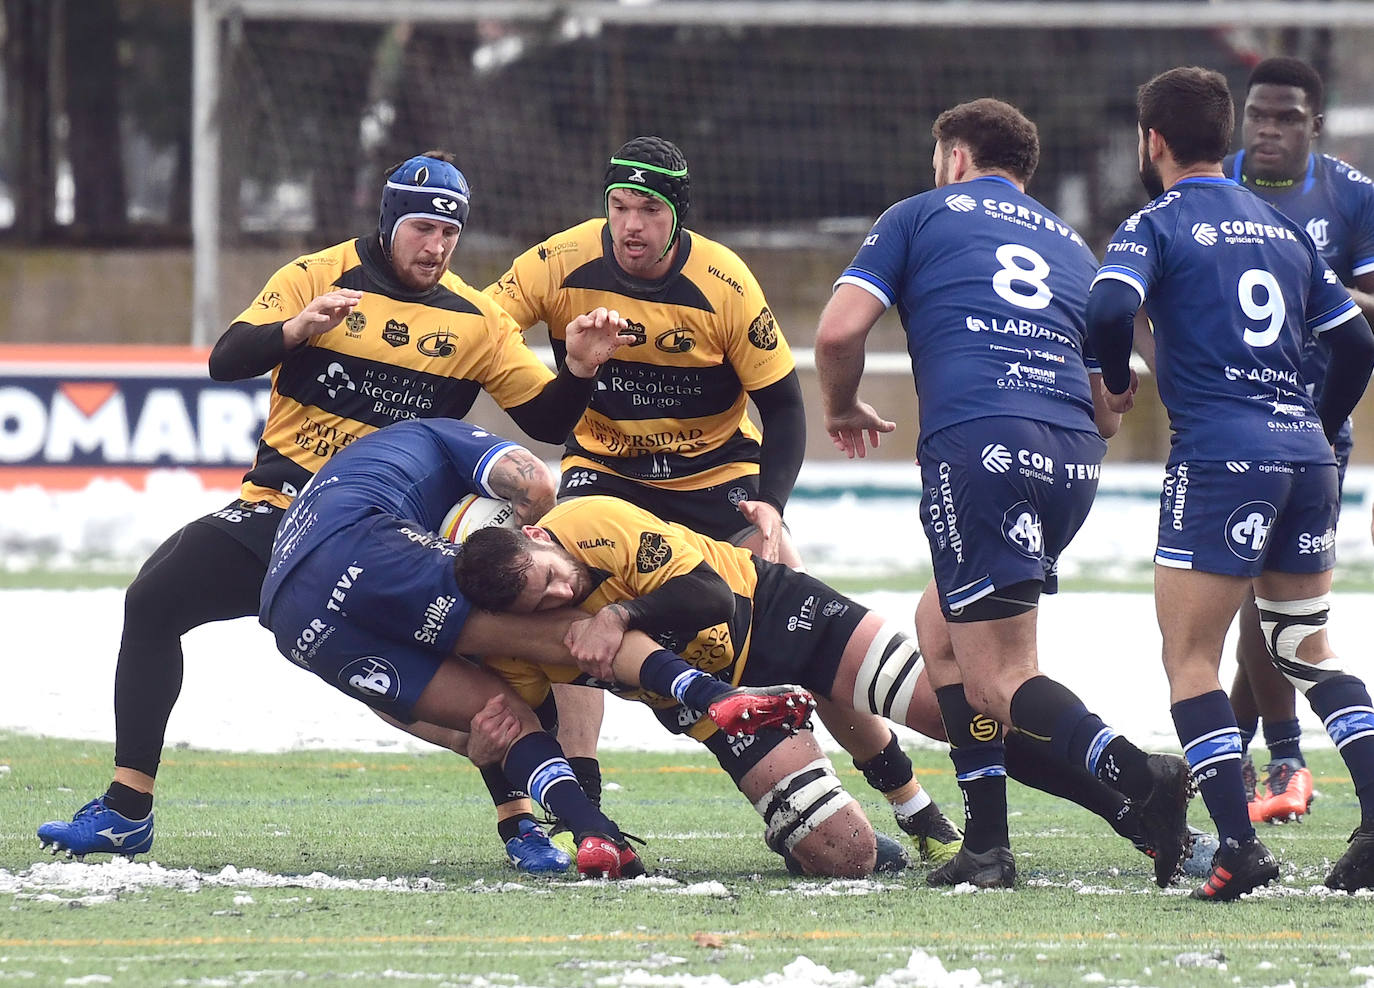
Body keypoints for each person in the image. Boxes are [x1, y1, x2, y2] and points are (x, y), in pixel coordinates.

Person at [36, 151, 634, 873]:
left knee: (478, 658)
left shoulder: (477, 320)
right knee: (154, 599)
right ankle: (128, 810)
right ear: (387, 223)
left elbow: (542, 420)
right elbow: (226, 359)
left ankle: (521, 825)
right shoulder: (316, 276)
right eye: (422, 227)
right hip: (279, 512)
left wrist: (578, 369)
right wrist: (295, 331)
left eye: (451, 232)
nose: (437, 246)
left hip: (392, 537)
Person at [483, 136, 962, 866]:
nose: (630, 226)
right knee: (567, 620)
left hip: (717, 478)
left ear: (678, 215)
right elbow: (480, 334)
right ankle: (588, 813)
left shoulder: (724, 283)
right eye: (618, 207)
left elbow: (787, 410)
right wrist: (557, 372)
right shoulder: (558, 262)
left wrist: (771, 503)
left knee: (805, 631)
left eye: (648, 209)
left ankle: (909, 799)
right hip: (605, 473)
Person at [813, 98, 1196, 891]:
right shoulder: (1072, 246)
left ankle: (1138, 775)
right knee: (941, 626)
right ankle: (987, 842)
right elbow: (1108, 400)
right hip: (1071, 459)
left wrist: (842, 404)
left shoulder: (918, 214)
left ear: (955, 158)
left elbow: (838, 333)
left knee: (999, 676)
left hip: (981, 448)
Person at [455, 490, 1215, 882]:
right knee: (840, 855)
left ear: (538, 537)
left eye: (553, 578)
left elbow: (711, 602)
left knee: (969, 714)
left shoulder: (588, 521)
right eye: (541, 603)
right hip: (724, 706)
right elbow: (524, 725)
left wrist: (617, 611)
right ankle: (843, 823)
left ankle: (1138, 813)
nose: (560, 596)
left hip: (785, 614)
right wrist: (501, 765)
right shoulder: (523, 635)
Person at [254, 418, 815, 879]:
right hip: (363, 552)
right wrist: (536, 553)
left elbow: (396, 701)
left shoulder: (367, 465)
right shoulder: (438, 436)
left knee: (494, 718)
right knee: (573, 629)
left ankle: (591, 831)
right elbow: (539, 490)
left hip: (290, 618)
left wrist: (470, 743)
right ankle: (712, 694)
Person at [1086, 66, 1374, 897]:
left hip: (1219, 455)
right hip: (1305, 456)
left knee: (1189, 657)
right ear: (1228, 136)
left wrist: (1113, 377)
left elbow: (1109, 311)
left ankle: (1238, 846)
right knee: (1303, 645)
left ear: (1155, 142)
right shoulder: (1285, 231)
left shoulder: (1157, 222)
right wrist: (1318, 425)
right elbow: (1357, 345)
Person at [1219, 56, 1374, 824]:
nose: (1268, 131)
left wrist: (1311, 279)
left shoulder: (1352, 198)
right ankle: (1265, 761)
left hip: (1315, 425)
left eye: (1285, 118)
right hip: (1229, 421)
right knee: (1259, 593)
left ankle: (1271, 759)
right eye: (1257, 117)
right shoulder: (1217, 183)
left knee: (1267, 595)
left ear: (1314, 123)